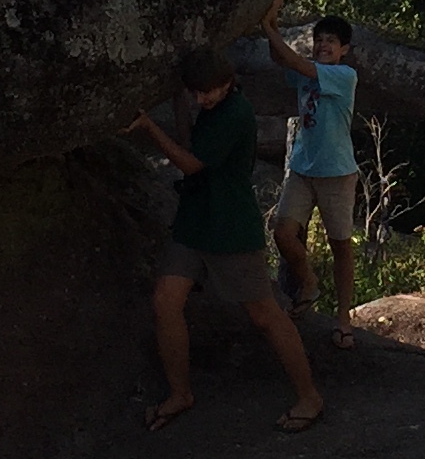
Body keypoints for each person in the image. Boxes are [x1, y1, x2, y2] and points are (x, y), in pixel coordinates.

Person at [126, 43, 324, 433]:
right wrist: (181, 101)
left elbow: (191, 163)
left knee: (265, 314)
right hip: (195, 221)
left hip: (230, 227)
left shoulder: (236, 112)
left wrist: (148, 127)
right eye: (197, 92)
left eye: (209, 91)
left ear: (228, 82)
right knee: (166, 301)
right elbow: (192, 142)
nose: (204, 98)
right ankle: (180, 393)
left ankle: (309, 397)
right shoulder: (212, 106)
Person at [265, 0, 362, 335]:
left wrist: (267, 26)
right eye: (319, 40)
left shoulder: (342, 75)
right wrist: (271, 21)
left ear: (344, 49)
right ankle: (308, 282)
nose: (323, 46)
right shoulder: (309, 72)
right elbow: (281, 61)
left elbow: (292, 60)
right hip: (303, 169)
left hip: (336, 173)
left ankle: (344, 320)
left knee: (341, 247)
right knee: (283, 233)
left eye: (330, 41)